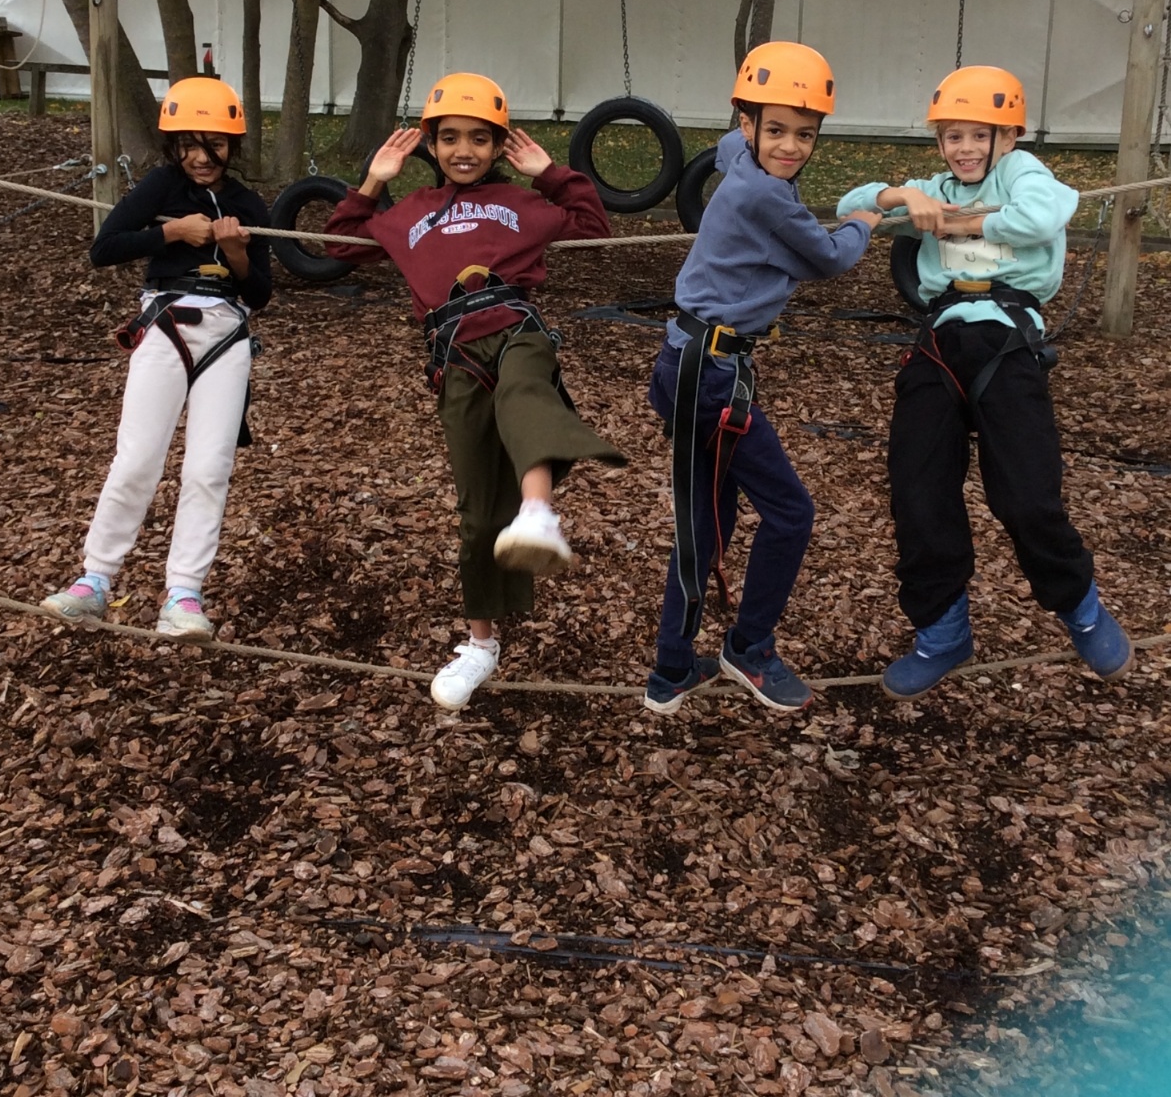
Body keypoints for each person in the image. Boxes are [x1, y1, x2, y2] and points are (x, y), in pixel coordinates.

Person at [324, 72, 624, 712]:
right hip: (455, 355)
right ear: (431, 144)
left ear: (498, 146)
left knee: (524, 391)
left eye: (480, 139)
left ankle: (538, 511)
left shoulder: (520, 203)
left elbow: (593, 225)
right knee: (478, 514)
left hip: (516, 327)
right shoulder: (409, 214)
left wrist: (549, 174)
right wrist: (374, 181)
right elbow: (335, 244)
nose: (465, 150)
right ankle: (481, 644)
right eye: (451, 138)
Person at [836, 65, 1133, 698]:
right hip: (941, 339)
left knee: (1025, 493)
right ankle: (943, 629)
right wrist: (900, 197)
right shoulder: (934, 187)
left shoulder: (1022, 174)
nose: (965, 149)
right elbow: (847, 206)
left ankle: (1080, 606)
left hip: (1007, 336)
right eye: (952, 136)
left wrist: (964, 224)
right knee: (917, 486)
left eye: (979, 135)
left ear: (1010, 136)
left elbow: (1042, 215)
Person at [644, 42, 882, 716]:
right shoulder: (765, 196)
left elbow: (727, 149)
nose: (790, 146)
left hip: (688, 361)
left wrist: (756, 126)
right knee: (790, 513)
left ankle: (671, 667)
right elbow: (828, 259)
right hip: (709, 376)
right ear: (747, 123)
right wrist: (864, 221)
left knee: (710, 517)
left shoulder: (736, 157)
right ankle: (748, 648)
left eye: (804, 134)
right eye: (775, 129)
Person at [40, 78, 271, 642]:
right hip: (166, 322)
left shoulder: (247, 204)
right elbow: (105, 248)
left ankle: (184, 594)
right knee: (138, 457)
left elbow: (260, 292)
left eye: (214, 145)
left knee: (209, 468)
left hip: (226, 334)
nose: (201, 157)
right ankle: (95, 579)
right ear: (173, 145)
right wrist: (170, 232)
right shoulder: (161, 186)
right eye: (188, 144)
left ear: (233, 146)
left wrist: (236, 252)